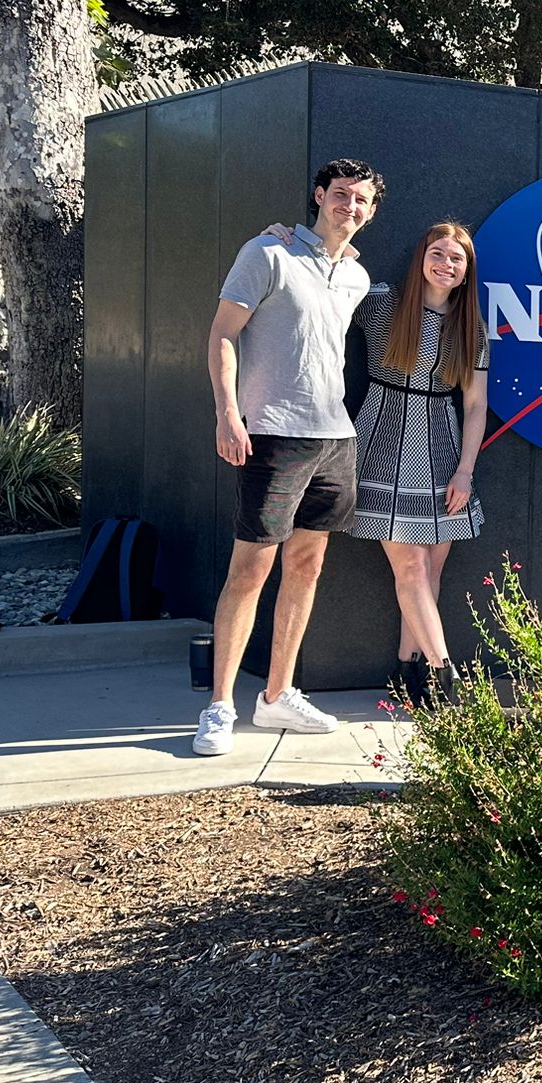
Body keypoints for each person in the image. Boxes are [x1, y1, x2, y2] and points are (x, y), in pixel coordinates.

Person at [195, 161, 379, 756]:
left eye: (361, 201)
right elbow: (223, 334)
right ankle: (219, 707)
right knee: (249, 571)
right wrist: (228, 413)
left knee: (306, 566)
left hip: (335, 438)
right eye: (340, 195)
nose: (348, 207)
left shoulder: (355, 277)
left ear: (370, 213)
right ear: (319, 197)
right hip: (273, 435)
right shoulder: (267, 253)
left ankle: (276, 697)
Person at [345, 221, 489, 702]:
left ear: (467, 271)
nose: (446, 265)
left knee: (430, 573)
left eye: (457, 258)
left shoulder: (470, 327)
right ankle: (444, 673)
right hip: (382, 438)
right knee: (409, 566)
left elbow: (474, 405)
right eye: (439, 253)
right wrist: (286, 235)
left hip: (442, 448)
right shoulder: (383, 302)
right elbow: (331, 272)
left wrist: (465, 470)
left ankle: (410, 675)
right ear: (421, 256)